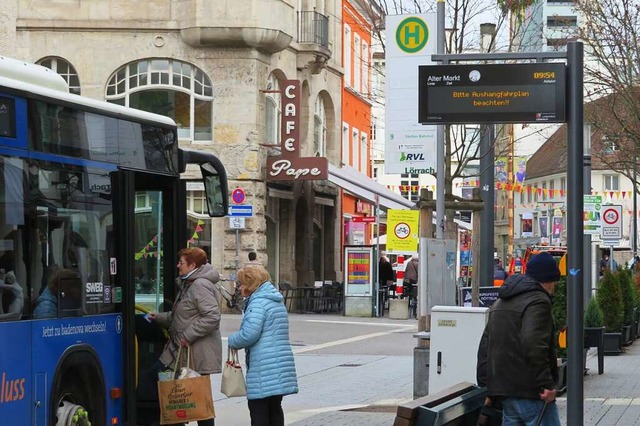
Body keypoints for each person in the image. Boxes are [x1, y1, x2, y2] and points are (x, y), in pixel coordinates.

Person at [477, 252, 561, 426]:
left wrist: (487, 386)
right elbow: (534, 343)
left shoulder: (501, 301)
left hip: (505, 392)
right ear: (547, 280)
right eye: (554, 282)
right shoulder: (538, 301)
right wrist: (546, 384)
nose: (554, 287)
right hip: (531, 391)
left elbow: (486, 344)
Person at [147, 247, 221, 426]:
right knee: (192, 394)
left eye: (181, 263)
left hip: (194, 351)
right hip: (183, 349)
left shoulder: (199, 285)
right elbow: (181, 315)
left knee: (197, 396)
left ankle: (176, 420)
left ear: (193, 265)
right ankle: (177, 419)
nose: (178, 266)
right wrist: (159, 318)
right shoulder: (188, 283)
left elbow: (212, 317)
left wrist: (187, 336)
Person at [227, 265, 298, 426]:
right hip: (278, 362)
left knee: (258, 407)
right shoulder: (274, 300)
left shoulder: (258, 303)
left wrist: (232, 340)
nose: (240, 287)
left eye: (242, 283)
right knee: (274, 407)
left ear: (251, 284)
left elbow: (249, 334)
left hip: (264, 364)